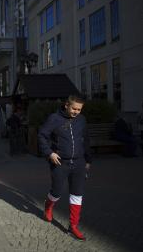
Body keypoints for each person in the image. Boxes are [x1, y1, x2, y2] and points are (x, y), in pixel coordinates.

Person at [38, 95, 92, 241]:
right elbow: (42, 136)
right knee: (56, 192)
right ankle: (48, 206)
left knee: (77, 195)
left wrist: (88, 159)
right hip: (60, 162)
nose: (76, 112)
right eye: (74, 108)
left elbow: (85, 140)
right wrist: (49, 153)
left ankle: (73, 226)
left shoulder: (82, 120)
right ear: (67, 105)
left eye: (79, 109)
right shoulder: (54, 118)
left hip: (79, 162)